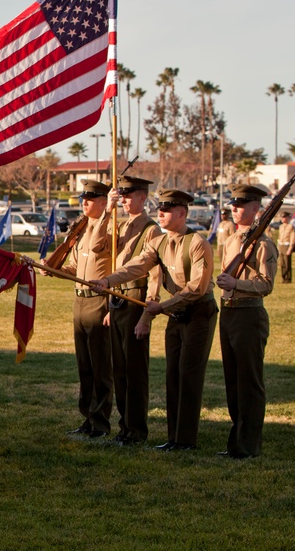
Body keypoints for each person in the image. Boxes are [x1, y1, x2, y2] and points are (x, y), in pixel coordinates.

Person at [91, 189, 217, 452]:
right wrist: (108, 281)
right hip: (175, 312)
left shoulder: (197, 243)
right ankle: (174, 437)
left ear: (182, 214)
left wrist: (160, 307)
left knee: (188, 375)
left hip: (198, 312)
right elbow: (137, 266)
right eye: (160, 208)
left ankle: (185, 439)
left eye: (168, 210)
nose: (161, 213)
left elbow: (196, 287)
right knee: (173, 375)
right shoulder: (160, 243)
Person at [215, 185, 277, 459]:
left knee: (249, 382)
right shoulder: (230, 241)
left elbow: (265, 284)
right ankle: (235, 443)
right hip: (228, 312)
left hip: (249, 314)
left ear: (255, 209)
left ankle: (248, 446)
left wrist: (236, 282)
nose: (235, 209)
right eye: (233, 204)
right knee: (233, 381)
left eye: (241, 205)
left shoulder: (263, 243)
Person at [107, 176, 160, 446]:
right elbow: (100, 249)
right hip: (118, 299)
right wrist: (108, 210)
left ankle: (137, 429)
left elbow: (154, 275)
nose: (125, 201)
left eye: (129, 196)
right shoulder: (123, 225)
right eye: (123, 197)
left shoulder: (151, 230)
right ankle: (125, 426)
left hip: (136, 298)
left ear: (142, 197)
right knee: (120, 370)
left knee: (135, 370)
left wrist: (146, 315)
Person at [62, 179, 114, 439]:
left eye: (91, 199)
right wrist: (54, 268)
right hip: (79, 301)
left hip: (98, 300)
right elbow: (74, 267)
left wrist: (108, 215)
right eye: (84, 198)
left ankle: (101, 422)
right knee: (85, 365)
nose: (84, 202)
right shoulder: (82, 229)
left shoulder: (109, 229)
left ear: (104, 203)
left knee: (101, 366)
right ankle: (87, 417)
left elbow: (102, 253)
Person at [276, 211, 295, 284]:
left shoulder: (290, 227)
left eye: (284, 217)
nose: (283, 219)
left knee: (287, 263)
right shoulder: (281, 227)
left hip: (287, 245)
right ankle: (283, 277)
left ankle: (288, 278)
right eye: (282, 217)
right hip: (281, 245)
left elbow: (292, 238)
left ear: (287, 218)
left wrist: (290, 248)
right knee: (282, 263)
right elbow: (279, 237)